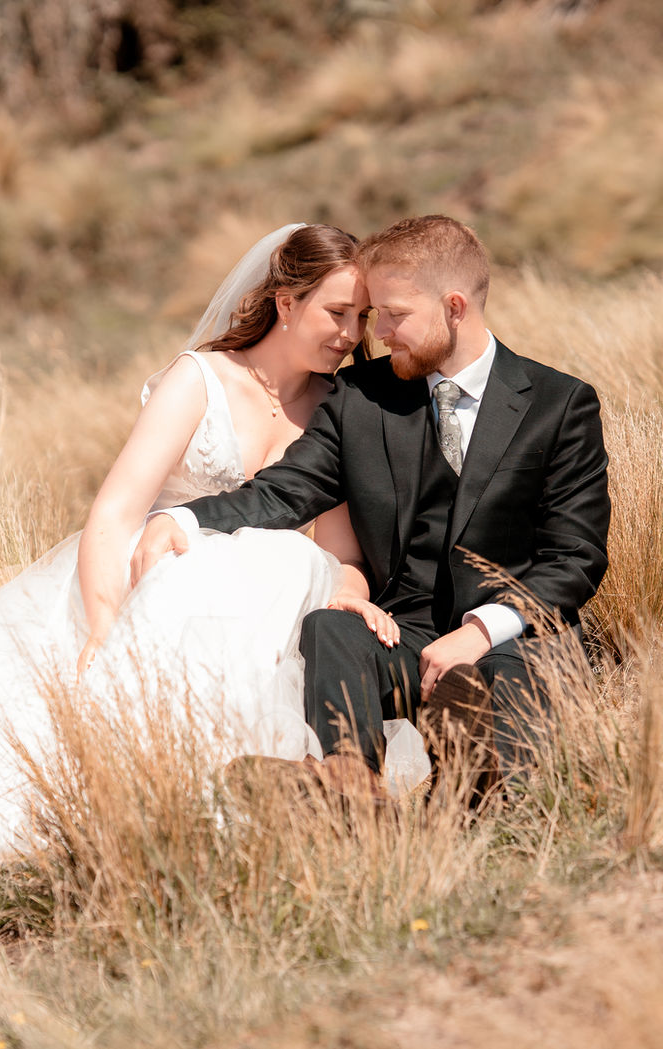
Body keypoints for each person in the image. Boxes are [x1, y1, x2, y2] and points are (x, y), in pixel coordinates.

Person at [0, 222, 427, 864]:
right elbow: (115, 512)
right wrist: (102, 624)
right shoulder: (201, 380)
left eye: (362, 317)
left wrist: (349, 594)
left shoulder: (338, 405)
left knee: (286, 561)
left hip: (258, 606)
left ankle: (262, 791)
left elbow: (339, 550)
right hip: (149, 578)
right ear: (286, 302)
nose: (350, 334)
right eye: (336, 312)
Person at [132, 215, 611, 801]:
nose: (377, 333)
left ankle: (469, 780)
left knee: (504, 756)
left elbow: (575, 557)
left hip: (510, 642)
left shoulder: (559, 405)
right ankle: (351, 785)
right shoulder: (361, 398)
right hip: (401, 639)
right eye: (374, 314)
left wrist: (479, 632)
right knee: (331, 628)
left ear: (454, 307)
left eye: (394, 314)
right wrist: (183, 518)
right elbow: (284, 490)